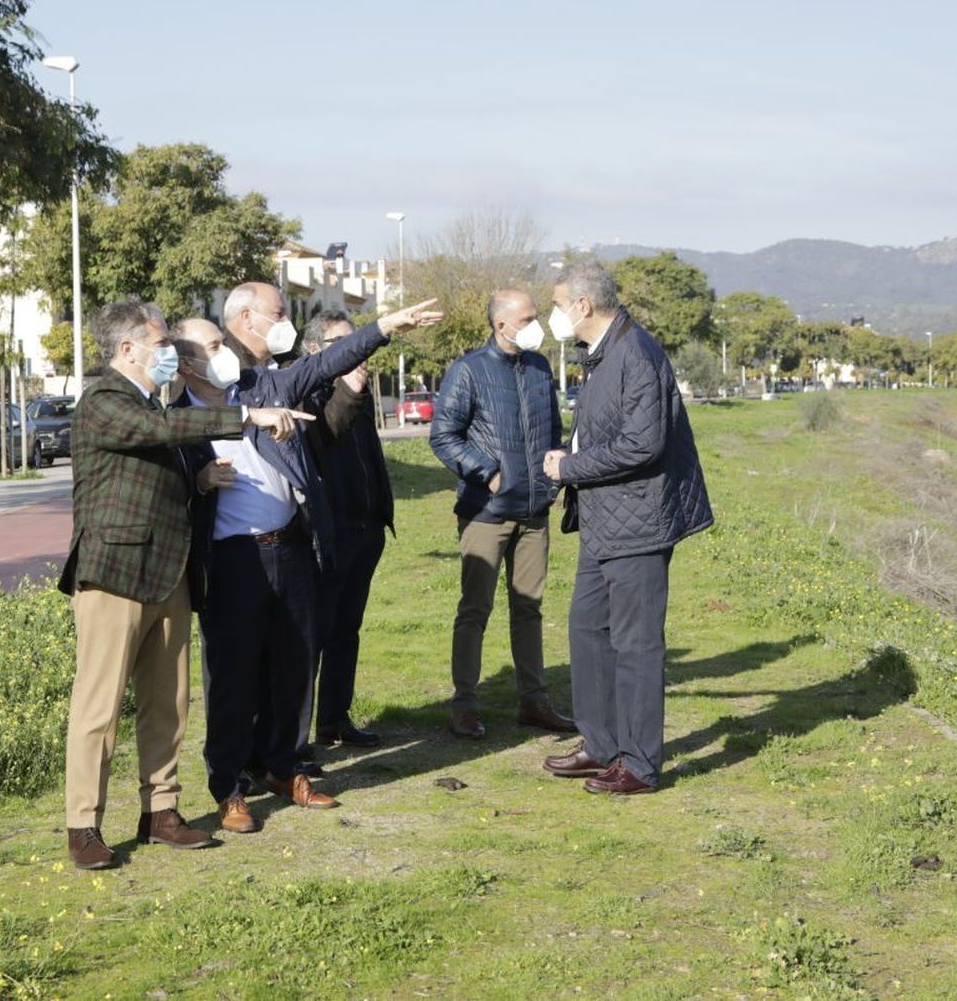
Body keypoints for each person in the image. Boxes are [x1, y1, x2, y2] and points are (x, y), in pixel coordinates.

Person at [173, 286, 441, 834]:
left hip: (291, 547)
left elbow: (325, 364)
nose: (224, 352)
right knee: (232, 679)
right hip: (233, 561)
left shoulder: (263, 384)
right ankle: (230, 786)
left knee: (295, 666)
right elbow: (167, 489)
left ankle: (286, 766)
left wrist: (384, 328)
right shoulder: (178, 420)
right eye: (211, 347)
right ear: (186, 365)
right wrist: (199, 482)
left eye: (222, 341)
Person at [59, 300, 309, 870]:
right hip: (115, 574)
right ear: (128, 349)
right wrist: (247, 416)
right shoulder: (105, 400)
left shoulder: (153, 403)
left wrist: (198, 480)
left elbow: (154, 468)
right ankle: (84, 824)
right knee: (99, 707)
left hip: (170, 572)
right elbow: (156, 432)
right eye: (161, 344)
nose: (170, 353)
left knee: (167, 703)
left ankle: (161, 810)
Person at [541, 260, 713, 796]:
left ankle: (639, 764)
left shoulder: (635, 353)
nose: (554, 316)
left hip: (638, 521)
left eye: (557, 304)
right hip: (602, 520)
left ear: (583, 305)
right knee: (587, 629)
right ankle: (601, 743)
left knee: (636, 645)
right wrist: (569, 456)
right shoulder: (601, 353)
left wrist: (570, 467)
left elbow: (643, 444)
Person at [429, 287, 576, 740]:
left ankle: (534, 702)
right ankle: (464, 705)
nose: (536, 325)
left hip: (534, 512)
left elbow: (552, 429)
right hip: (486, 513)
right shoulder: (468, 370)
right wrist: (488, 473)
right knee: (475, 610)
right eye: (528, 319)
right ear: (501, 324)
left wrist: (554, 476)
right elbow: (443, 435)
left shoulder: (539, 367)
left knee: (529, 609)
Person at [299, 310, 393, 750]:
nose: (356, 351)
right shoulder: (307, 391)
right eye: (342, 343)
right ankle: (295, 739)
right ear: (315, 349)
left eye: (356, 341)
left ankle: (335, 719)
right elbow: (323, 438)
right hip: (330, 535)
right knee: (315, 636)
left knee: (347, 630)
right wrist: (348, 391)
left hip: (365, 528)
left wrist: (380, 513)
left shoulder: (361, 392)